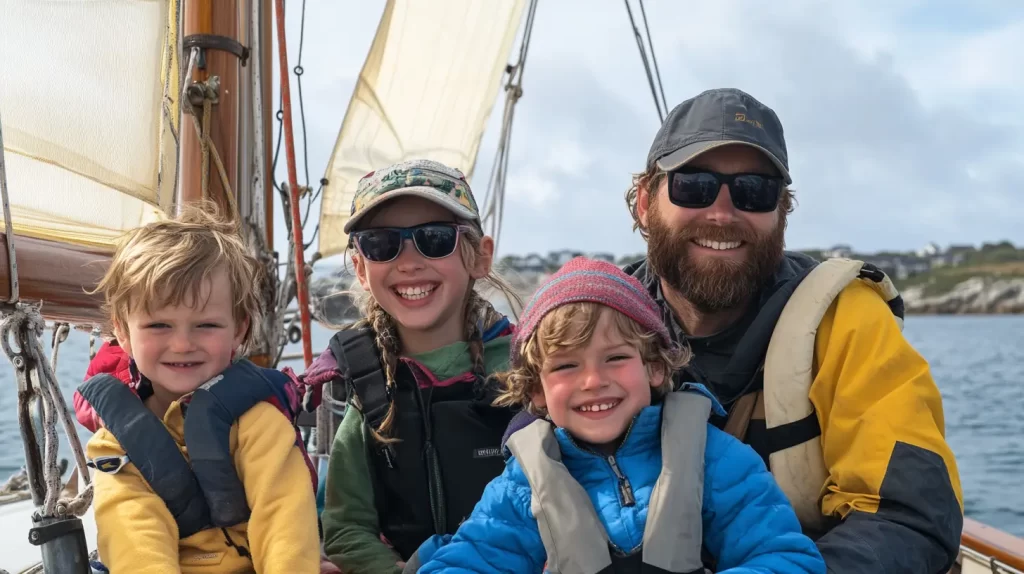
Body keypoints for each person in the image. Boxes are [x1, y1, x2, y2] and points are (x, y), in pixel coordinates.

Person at [620, 87, 963, 572]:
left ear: (783, 212)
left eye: (753, 191)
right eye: (693, 185)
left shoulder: (844, 321)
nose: (722, 213)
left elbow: (910, 514)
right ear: (644, 203)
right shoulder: (597, 322)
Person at [412, 257, 826, 574]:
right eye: (566, 366)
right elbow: (464, 563)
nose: (593, 381)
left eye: (615, 358)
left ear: (655, 367)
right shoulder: (521, 489)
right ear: (537, 390)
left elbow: (786, 557)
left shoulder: (715, 460)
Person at [79, 203, 320, 573]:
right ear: (123, 333)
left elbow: (283, 521)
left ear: (238, 330)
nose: (182, 344)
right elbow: (133, 537)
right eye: (159, 326)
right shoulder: (115, 444)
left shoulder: (259, 425)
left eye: (206, 325)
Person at [311, 159, 522, 573]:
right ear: (360, 267)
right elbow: (346, 528)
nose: (408, 262)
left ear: (480, 257)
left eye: (434, 238)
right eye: (381, 244)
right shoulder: (360, 386)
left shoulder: (531, 368)